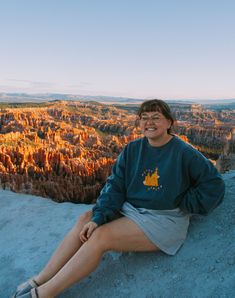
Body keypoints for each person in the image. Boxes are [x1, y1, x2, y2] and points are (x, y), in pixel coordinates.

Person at [13, 99, 225, 298]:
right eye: (144, 117)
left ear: (169, 122)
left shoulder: (183, 152)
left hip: (162, 219)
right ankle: (41, 278)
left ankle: (44, 293)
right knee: (86, 218)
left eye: (156, 117)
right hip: (132, 209)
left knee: (101, 238)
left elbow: (214, 184)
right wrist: (99, 217)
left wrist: (184, 202)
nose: (149, 122)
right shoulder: (133, 149)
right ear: (139, 122)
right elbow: (115, 186)